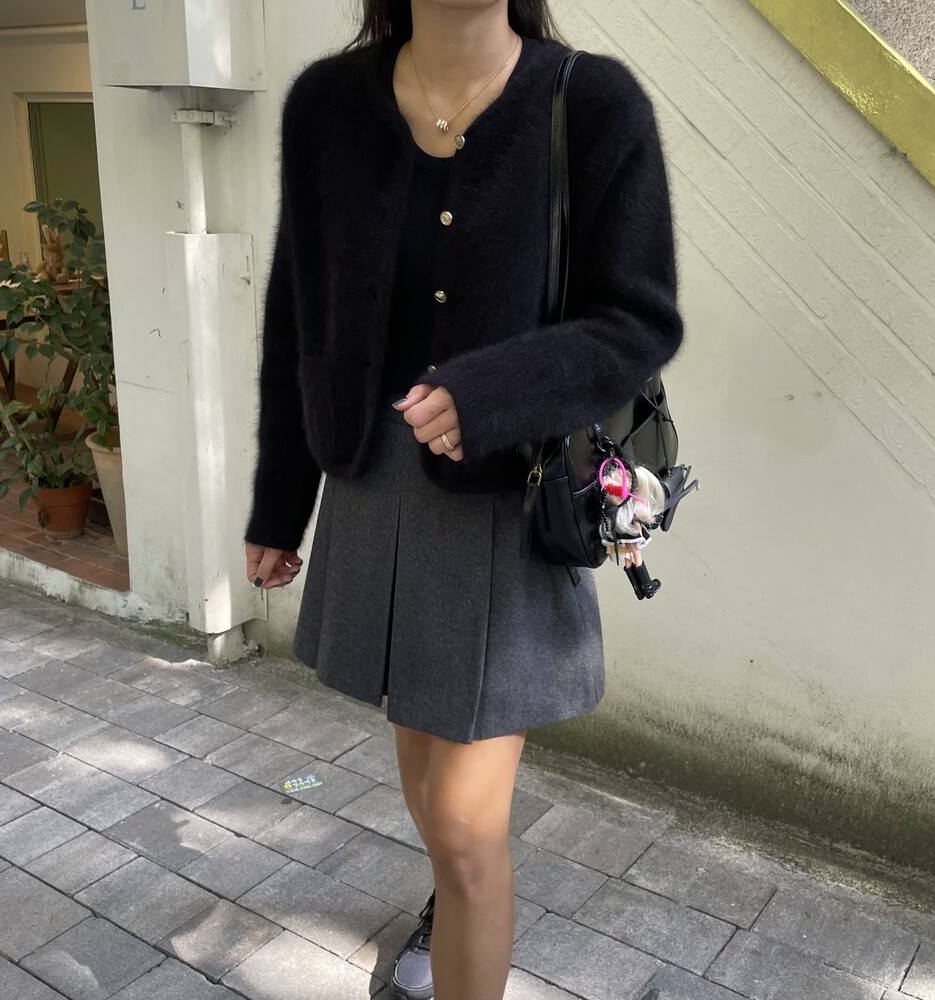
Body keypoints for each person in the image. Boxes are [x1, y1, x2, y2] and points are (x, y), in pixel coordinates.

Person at [244, 1, 683, 997]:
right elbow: (296, 315)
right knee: (430, 798)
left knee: (464, 827)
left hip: (502, 501)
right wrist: (279, 504)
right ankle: (446, 914)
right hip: (371, 488)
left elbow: (637, 320)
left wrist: (492, 394)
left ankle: (456, 918)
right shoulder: (327, 105)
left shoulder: (590, 102)